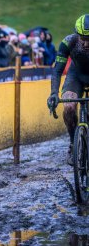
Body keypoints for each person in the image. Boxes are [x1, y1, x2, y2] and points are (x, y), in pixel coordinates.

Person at [47, 14, 89, 164]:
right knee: (69, 106)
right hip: (76, 76)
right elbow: (57, 70)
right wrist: (53, 93)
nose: (85, 43)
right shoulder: (68, 42)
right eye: (82, 38)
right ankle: (73, 143)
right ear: (76, 34)